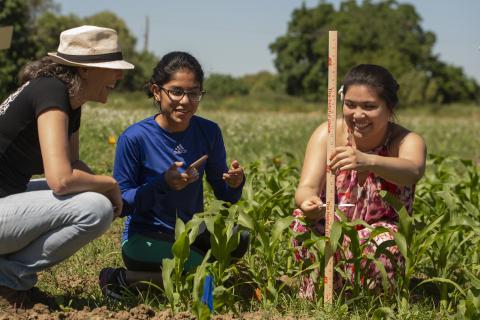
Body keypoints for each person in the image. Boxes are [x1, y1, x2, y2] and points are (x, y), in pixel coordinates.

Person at [0, 25, 134, 308]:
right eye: (113, 67)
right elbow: (60, 179)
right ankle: (9, 280)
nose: (119, 76)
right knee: (94, 209)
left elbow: (73, 164)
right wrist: (110, 184)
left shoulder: (68, 98)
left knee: (95, 201)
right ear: (84, 69)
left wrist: (106, 187)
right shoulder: (52, 92)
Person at [99, 51, 249, 299]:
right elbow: (121, 204)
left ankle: (175, 278)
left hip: (189, 232)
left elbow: (225, 196)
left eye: (194, 93)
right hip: (145, 236)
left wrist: (235, 183)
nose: (186, 101)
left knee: (239, 238)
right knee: (205, 275)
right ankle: (120, 279)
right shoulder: (135, 138)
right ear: (157, 92)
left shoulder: (208, 132)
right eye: (176, 91)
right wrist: (163, 184)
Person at [291, 64, 426, 299]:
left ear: (390, 108)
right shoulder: (329, 134)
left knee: (385, 247)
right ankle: (317, 292)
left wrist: (369, 161)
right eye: (350, 105)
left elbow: (412, 170)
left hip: (381, 228)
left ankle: (368, 299)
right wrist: (308, 203)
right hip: (331, 221)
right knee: (302, 225)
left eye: (369, 106)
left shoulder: (406, 140)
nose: (358, 115)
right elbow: (306, 187)